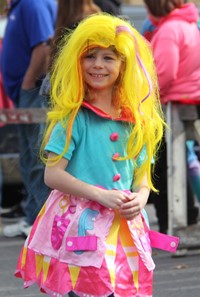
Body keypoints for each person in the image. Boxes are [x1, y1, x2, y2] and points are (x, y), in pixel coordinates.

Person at [15, 14, 179, 297]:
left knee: (123, 290)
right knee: (86, 290)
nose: (99, 65)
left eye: (109, 58)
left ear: (124, 65)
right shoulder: (74, 118)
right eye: (90, 56)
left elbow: (143, 177)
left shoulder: (135, 119)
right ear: (76, 62)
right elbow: (52, 175)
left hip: (123, 226)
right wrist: (100, 195)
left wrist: (140, 199)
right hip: (80, 226)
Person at [142, 0, 200, 233]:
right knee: (179, 165)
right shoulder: (188, 23)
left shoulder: (168, 29)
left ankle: (172, 224)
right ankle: (185, 219)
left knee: (166, 167)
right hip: (190, 97)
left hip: (174, 102)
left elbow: (164, 72)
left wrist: (145, 94)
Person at [1, 0, 57, 237]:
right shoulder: (22, 5)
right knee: (29, 157)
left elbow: (43, 46)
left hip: (33, 92)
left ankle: (41, 222)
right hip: (27, 93)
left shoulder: (33, 3)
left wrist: (26, 84)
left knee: (36, 158)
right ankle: (34, 217)